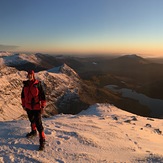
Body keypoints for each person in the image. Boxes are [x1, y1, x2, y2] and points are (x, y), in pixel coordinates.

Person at [21, 70, 46, 150]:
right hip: (28, 107)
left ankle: (42, 140)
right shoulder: (25, 85)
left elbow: (42, 96)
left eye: (31, 75)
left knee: (38, 123)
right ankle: (33, 131)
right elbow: (23, 96)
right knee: (32, 120)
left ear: (33, 75)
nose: (30, 76)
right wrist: (24, 105)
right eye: (28, 75)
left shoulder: (38, 84)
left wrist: (42, 106)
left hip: (36, 107)